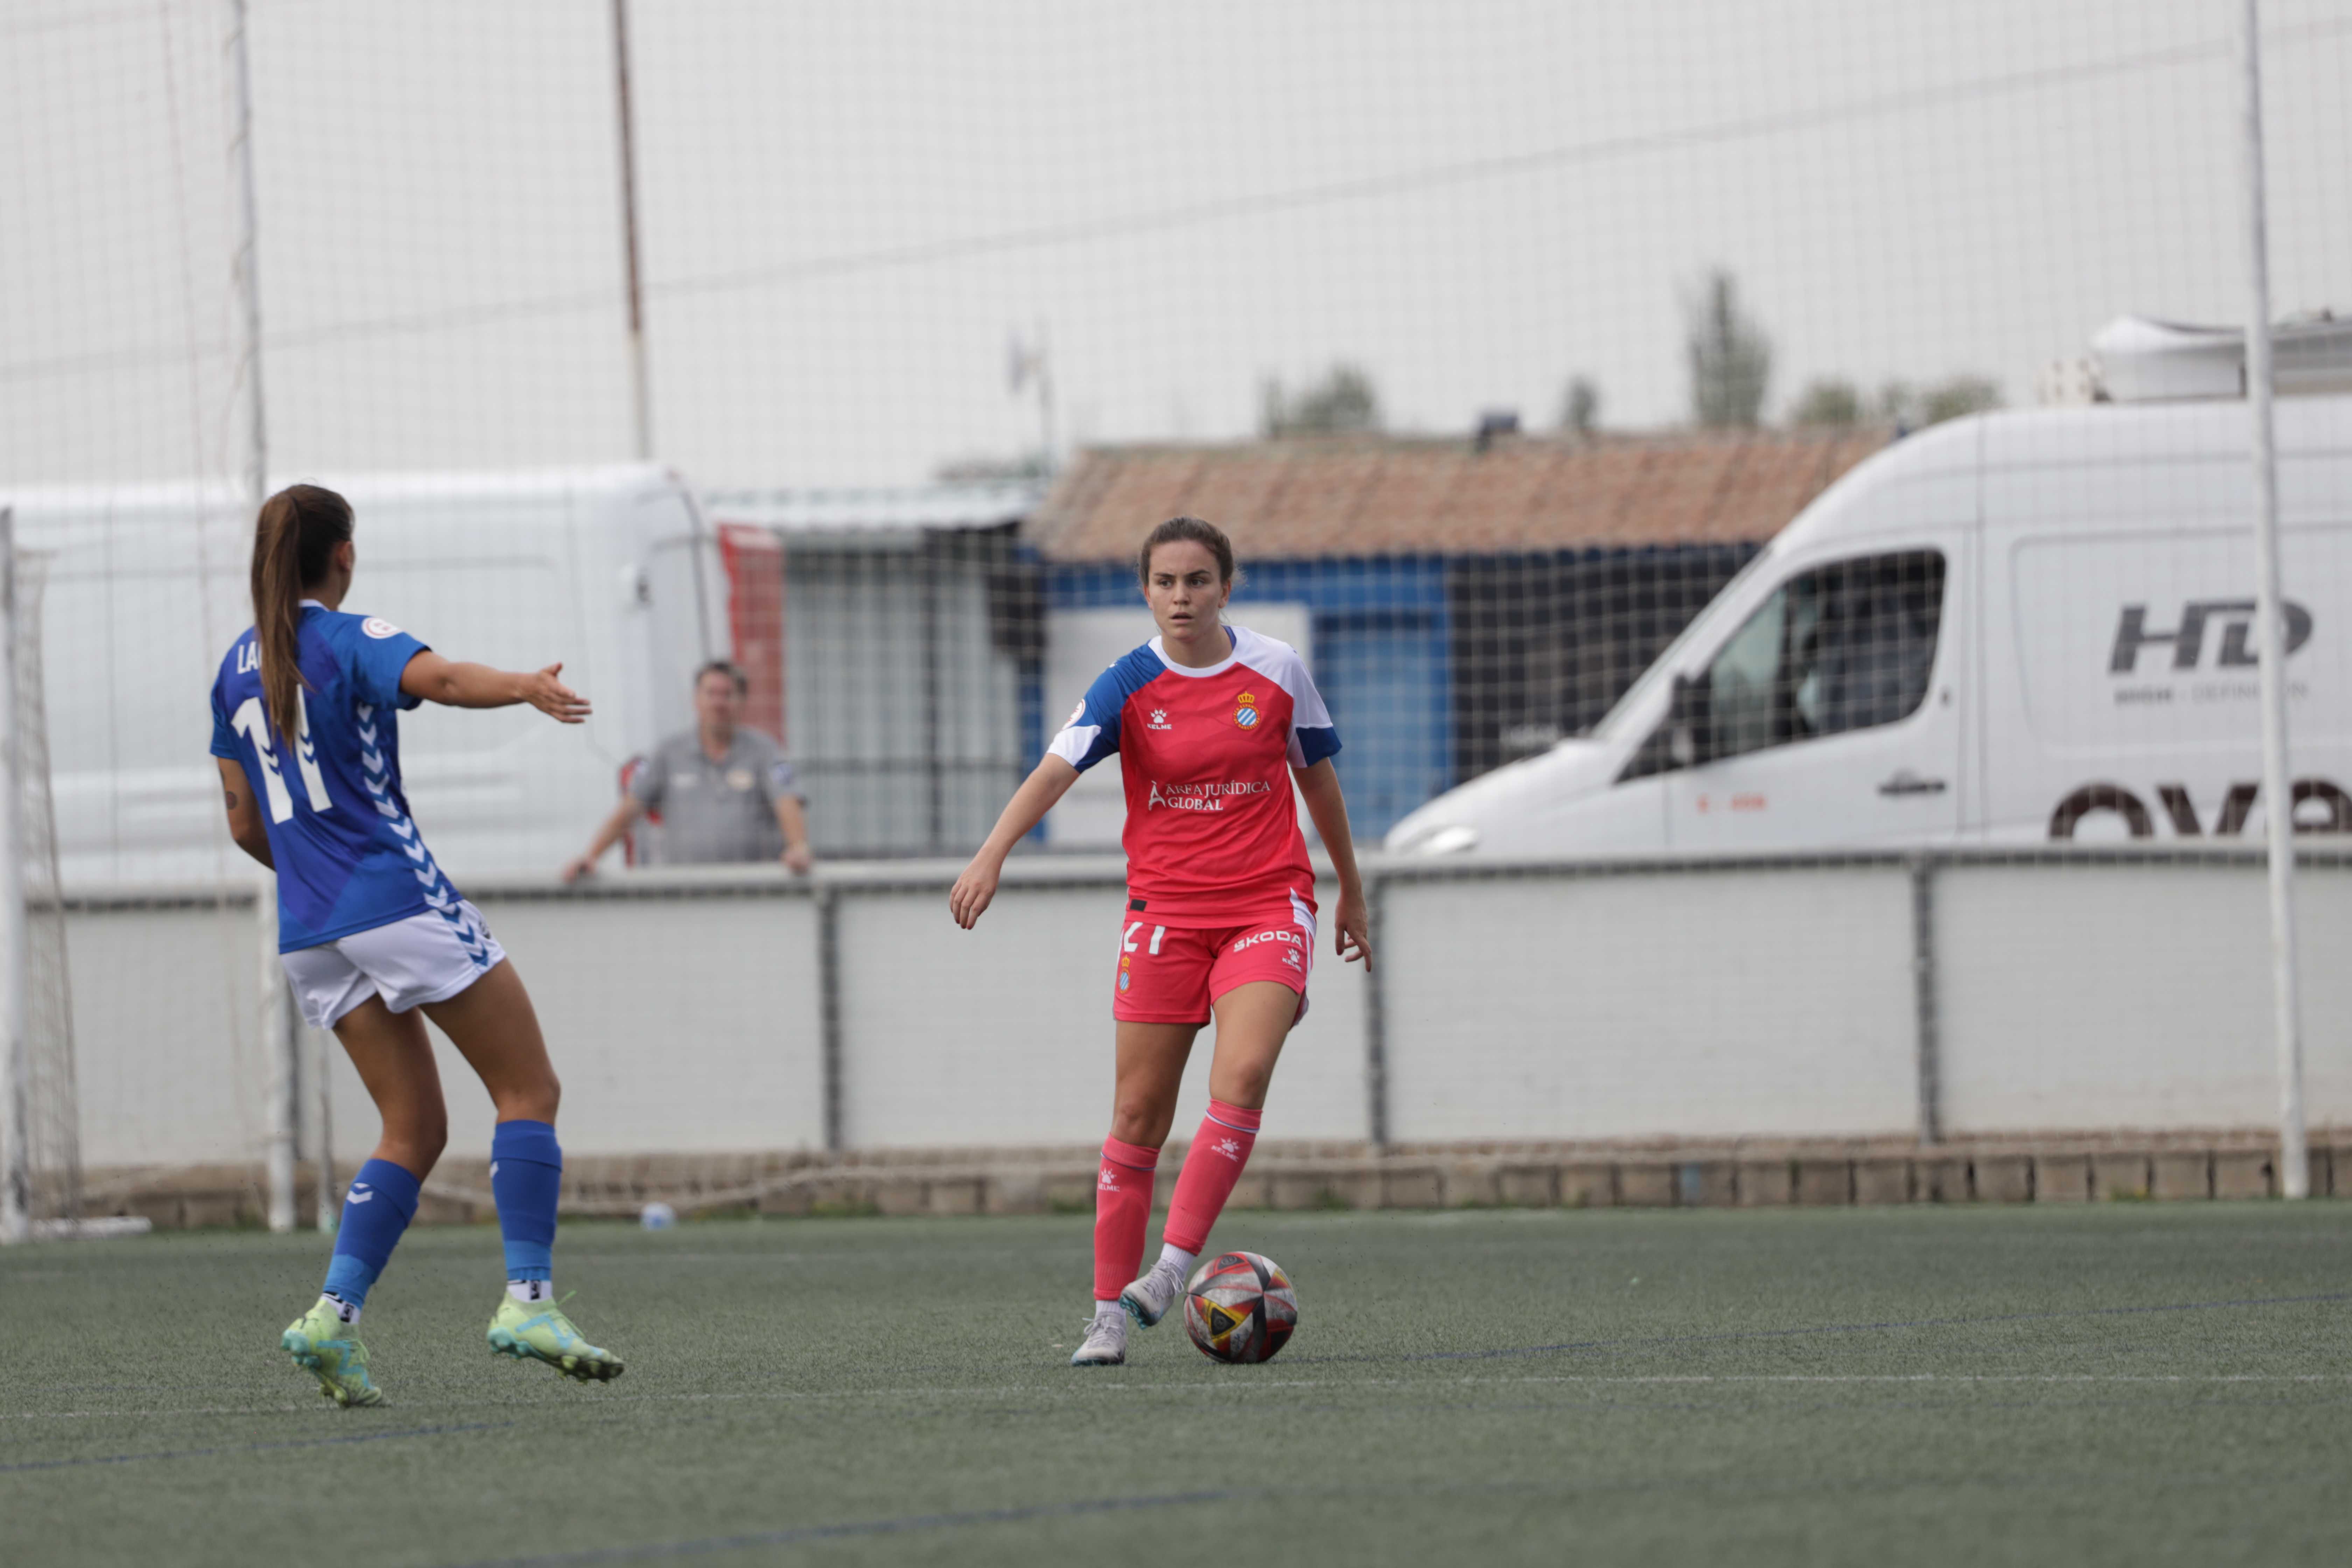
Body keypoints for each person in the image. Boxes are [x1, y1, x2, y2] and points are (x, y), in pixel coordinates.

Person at [211, 483, 624, 1408]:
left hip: (309, 929)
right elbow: (440, 679)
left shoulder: (235, 666)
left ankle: (333, 1318)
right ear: (344, 555)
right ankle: (529, 1302)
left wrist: (316, 877)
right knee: (528, 1090)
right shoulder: (346, 637)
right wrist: (526, 685)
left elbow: (243, 822)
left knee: (414, 1128)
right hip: (393, 898)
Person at [949, 515, 1372, 1367]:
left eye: (1198, 580)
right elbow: (1055, 769)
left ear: (1226, 587)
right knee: (1138, 1117)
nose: (1183, 597)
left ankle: (1172, 1271)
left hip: (1268, 902)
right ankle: (1107, 1316)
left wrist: (1350, 891)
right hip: (1165, 915)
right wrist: (993, 852)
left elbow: (1318, 780)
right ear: (1146, 591)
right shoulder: (1127, 683)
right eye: (1167, 582)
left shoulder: (1277, 670)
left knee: (1242, 1073)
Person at [563, 660, 811, 881]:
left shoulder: (766, 751)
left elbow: (787, 801)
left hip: (751, 890)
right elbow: (630, 808)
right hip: (686, 892)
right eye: (711, 693)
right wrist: (592, 856)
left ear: (743, 701)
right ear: (696, 699)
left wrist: (798, 848)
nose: (718, 703)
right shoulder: (668, 753)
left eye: (728, 694)